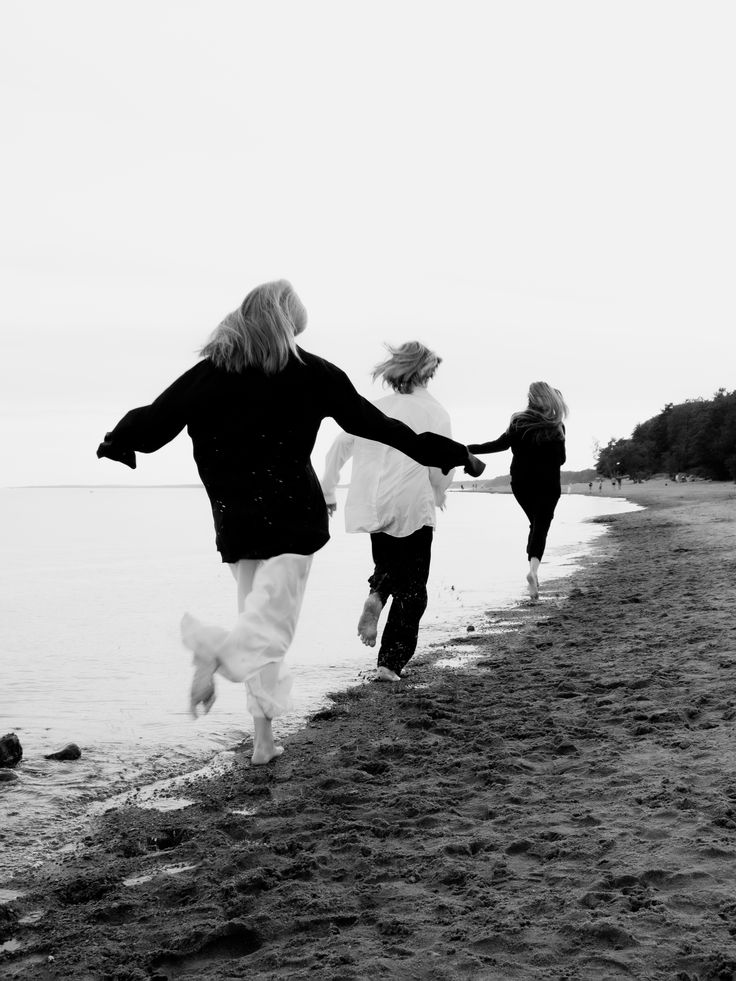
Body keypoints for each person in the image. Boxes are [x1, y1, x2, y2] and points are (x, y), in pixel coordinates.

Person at [96, 281, 485, 764]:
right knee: (270, 630)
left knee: (260, 623)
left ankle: (262, 741)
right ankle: (213, 649)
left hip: (236, 522)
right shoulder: (311, 373)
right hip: (290, 519)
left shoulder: (210, 374)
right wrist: (455, 454)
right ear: (288, 325)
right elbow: (384, 430)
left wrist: (118, 440)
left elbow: (155, 420)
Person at [320, 342, 452, 683]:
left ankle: (376, 597)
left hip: (372, 502)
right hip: (412, 502)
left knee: (388, 566)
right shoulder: (435, 412)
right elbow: (442, 461)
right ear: (428, 373)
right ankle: (389, 664)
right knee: (414, 589)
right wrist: (439, 490)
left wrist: (328, 490)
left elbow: (339, 446)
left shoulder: (372, 408)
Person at [468, 382, 568, 601]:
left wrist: (468, 448)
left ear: (530, 399)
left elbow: (498, 445)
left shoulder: (518, 422)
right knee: (541, 525)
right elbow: (561, 459)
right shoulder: (556, 426)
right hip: (548, 484)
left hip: (522, 483)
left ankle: (533, 573)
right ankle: (533, 570)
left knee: (535, 523)